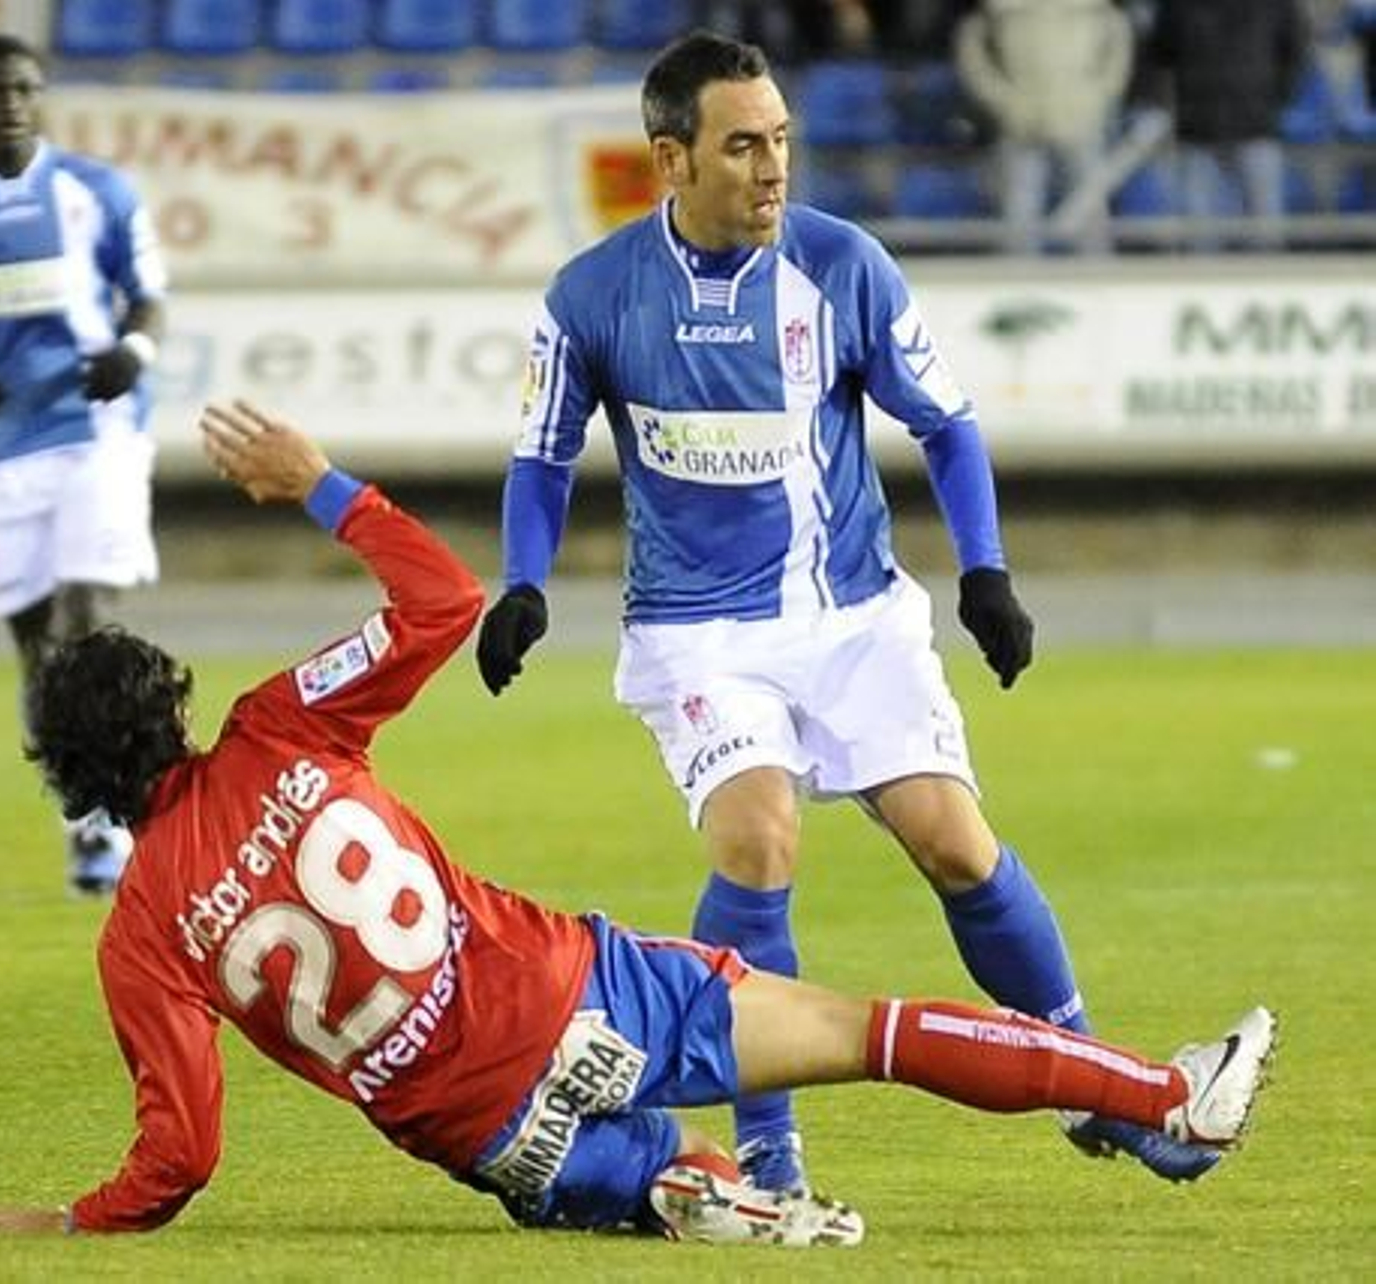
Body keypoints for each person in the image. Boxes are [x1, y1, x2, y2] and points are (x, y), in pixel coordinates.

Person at [0, 401, 1275, 1245]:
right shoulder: (276, 729)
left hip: (475, 1131)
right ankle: (1168, 1094)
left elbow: (180, 1154)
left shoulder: (139, 937)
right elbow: (439, 603)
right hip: (564, 993)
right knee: (864, 1032)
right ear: (170, 706)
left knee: (594, 1179)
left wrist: (75, 1224)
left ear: (66, 776)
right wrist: (323, 486)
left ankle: (676, 1187)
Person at [474, 29, 1221, 1193]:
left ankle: (1095, 1090)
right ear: (669, 161)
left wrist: (985, 572)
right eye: (741, 147)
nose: (773, 169)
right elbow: (540, 456)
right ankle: (772, 1153)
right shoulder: (592, 297)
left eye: (780, 141)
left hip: (851, 614)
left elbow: (948, 424)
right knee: (759, 837)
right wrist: (521, 582)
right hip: (697, 631)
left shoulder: (841, 266)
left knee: (955, 845)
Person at [0, 32, 169, 894]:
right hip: (0, 453)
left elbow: (150, 296)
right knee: (38, 658)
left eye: (24, 88)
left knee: (90, 615)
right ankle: (84, 818)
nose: (10, 102)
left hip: (98, 431)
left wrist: (133, 353)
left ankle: (137, 815)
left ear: (41, 96)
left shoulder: (98, 191)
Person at [954, 0, 1135, 254]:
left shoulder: (1096, 7)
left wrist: (1098, 97)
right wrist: (1004, 101)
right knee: (1019, 211)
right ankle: (1018, 284)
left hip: (1081, 118)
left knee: (1091, 214)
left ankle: (1100, 283)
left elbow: (1118, 43)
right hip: (1022, 121)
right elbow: (972, 47)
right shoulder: (998, 8)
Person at [1144, 0, 1313, 251]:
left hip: (1257, 124)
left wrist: (1274, 98)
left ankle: (1265, 287)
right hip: (1197, 128)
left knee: (1265, 231)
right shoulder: (1178, 5)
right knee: (1198, 234)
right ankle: (1200, 287)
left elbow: (1296, 52)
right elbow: (1159, 53)